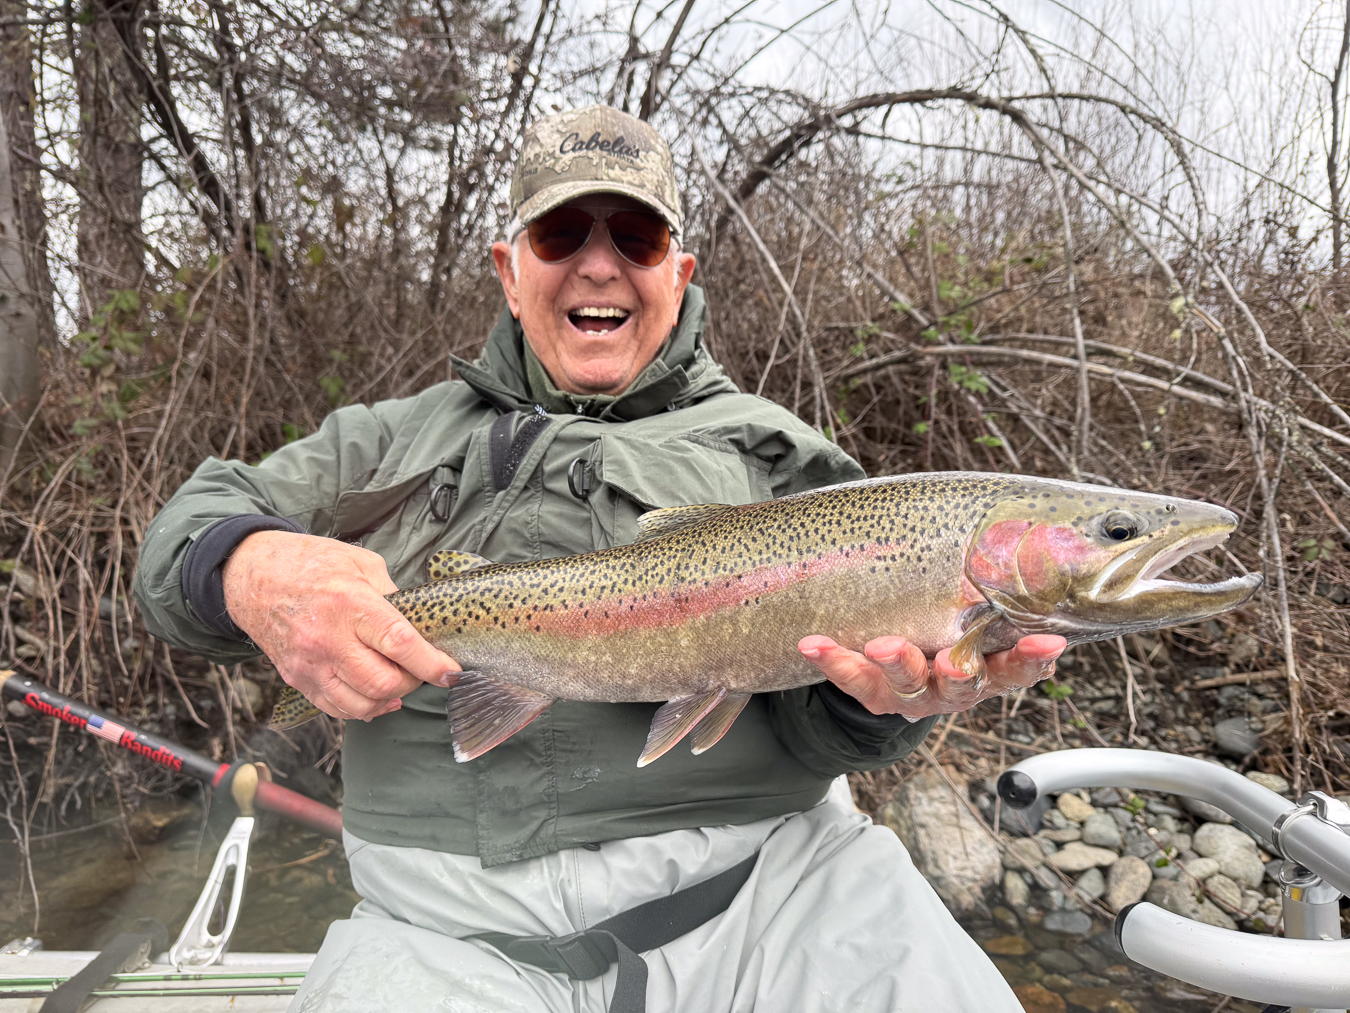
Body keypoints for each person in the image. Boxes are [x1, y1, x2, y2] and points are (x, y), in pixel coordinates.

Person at [134, 105, 1065, 1012]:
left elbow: (832, 725)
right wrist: (252, 572)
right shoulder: (385, 437)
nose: (597, 262)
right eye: (559, 233)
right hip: (445, 939)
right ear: (509, 270)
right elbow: (185, 532)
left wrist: (878, 712)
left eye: (636, 237)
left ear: (680, 271)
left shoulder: (782, 456)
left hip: (774, 897)